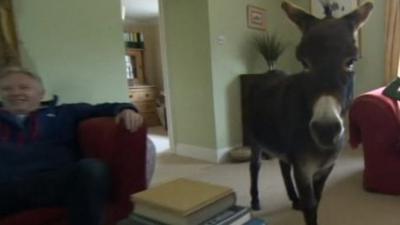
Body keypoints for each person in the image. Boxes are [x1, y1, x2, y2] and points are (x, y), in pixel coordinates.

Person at [0, 66, 143, 225]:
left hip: (54, 183)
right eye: (7, 89)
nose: (15, 93)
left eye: (24, 87)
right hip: (7, 189)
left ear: (41, 93)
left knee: (92, 168)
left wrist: (126, 110)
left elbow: (107, 107)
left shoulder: (64, 112)